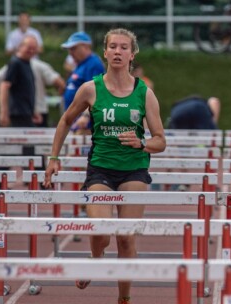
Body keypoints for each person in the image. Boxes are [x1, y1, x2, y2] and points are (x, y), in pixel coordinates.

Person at [44, 28, 166, 304]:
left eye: (124, 47)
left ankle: (124, 298)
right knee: (100, 232)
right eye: (113, 47)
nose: (118, 52)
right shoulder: (91, 89)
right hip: (100, 168)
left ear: (132, 54)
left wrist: (141, 142)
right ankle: (95, 257)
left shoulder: (144, 93)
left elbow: (160, 140)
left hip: (134, 169)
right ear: (105, 52)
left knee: (125, 238)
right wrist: (53, 158)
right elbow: (65, 121)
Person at [0, 56, 65, 128]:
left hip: (21, 111)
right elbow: (60, 83)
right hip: (36, 110)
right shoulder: (41, 66)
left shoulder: (13, 64)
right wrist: (61, 92)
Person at [61, 31, 105, 133]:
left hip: (85, 127)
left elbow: (97, 93)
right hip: (76, 124)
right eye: (69, 49)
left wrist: (85, 116)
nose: (70, 52)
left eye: (73, 48)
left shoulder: (93, 64)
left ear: (86, 46)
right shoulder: (81, 64)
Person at [0, 35, 39, 127]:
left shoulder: (27, 63)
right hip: (18, 113)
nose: (31, 51)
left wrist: (33, 110)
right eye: (29, 48)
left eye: (34, 49)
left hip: (26, 112)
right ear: (21, 47)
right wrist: (4, 112)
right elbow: (4, 86)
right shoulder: (15, 63)